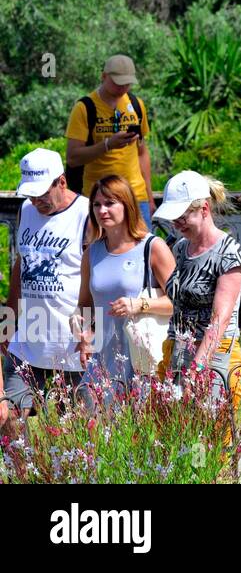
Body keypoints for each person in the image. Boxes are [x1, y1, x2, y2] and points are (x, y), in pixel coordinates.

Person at [1, 149, 92, 426]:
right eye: (30, 193)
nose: (36, 200)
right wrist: (7, 321)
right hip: (28, 338)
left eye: (42, 193)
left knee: (75, 427)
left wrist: (90, 330)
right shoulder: (27, 209)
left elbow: (96, 277)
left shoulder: (87, 213)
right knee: (10, 418)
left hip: (73, 341)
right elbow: (21, 265)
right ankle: (21, 471)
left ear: (61, 182)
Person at [153, 171, 241, 411]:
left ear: (204, 209)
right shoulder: (181, 248)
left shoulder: (228, 253)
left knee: (210, 439)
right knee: (173, 434)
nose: (175, 223)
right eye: (173, 218)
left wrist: (196, 369)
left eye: (182, 216)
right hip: (179, 349)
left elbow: (219, 322)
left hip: (215, 355)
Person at [74, 175, 175, 386]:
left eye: (110, 203)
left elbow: (179, 303)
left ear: (127, 204)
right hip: (103, 360)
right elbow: (84, 306)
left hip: (144, 359)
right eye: (97, 204)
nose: (102, 210)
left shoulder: (152, 247)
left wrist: (140, 305)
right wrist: (81, 330)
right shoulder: (91, 253)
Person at [64, 54, 155, 228]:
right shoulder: (84, 108)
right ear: (103, 76)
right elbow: (73, 157)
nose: (123, 88)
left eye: (127, 83)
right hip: (98, 199)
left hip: (136, 196)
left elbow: (142, 152)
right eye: (117, 83)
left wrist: (149, 197)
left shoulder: (136, 104)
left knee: (142, 253)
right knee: (97, 252)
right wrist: (107, 145)